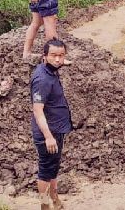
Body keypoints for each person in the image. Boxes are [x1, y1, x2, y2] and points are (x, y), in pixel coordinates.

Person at [30, 39, 72, 210]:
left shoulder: (51, 69)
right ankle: (45, 206)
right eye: (53, 55)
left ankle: (55, 200)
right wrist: (48, 137)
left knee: (53, 167)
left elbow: (58, 61)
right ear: (44, 56)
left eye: (61, 56)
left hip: (57, 129)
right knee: (46, 170)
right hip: (48, 132)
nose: (58, 59)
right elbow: (37, 111)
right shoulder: (42, 80)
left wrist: (62, 61)